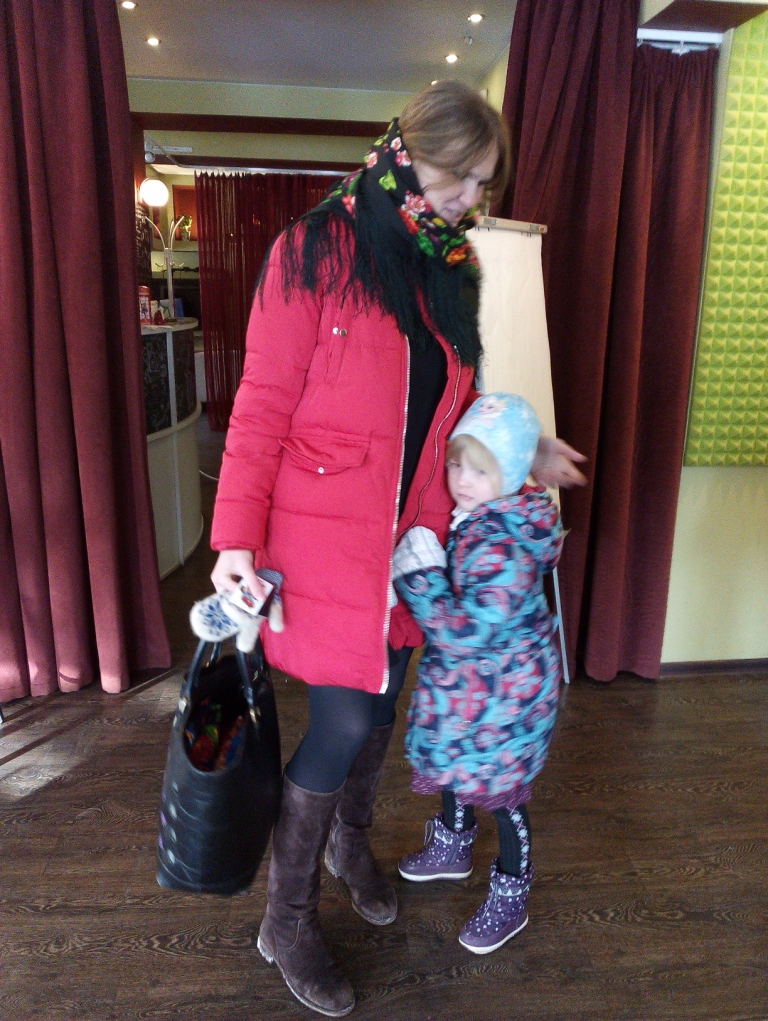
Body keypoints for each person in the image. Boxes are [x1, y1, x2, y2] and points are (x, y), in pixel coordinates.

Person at [209, 81, 586, 1017]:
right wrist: (234, 538)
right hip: (326, 536)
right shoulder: (313, 250)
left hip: (416, 538)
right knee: (342, 720)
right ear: (408, 155)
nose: (473, 200)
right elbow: (260, 406)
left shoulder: (451, 262)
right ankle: (286, 919)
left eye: (484, 184)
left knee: (382, 708)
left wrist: (524, 446)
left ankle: (350, 843)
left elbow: (455, 398)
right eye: (463, 179)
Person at [392, 392, 563, 955]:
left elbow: (467, 631)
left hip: (508, 697)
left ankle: (512, 893)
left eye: (480, 470)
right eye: (457, 463)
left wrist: (421, 580)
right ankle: (452, 847)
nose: (462, 480)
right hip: (475, 689)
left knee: (503, 795)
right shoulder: (482, 517)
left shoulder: (503, 544)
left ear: (510, 474)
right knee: (456, 763)